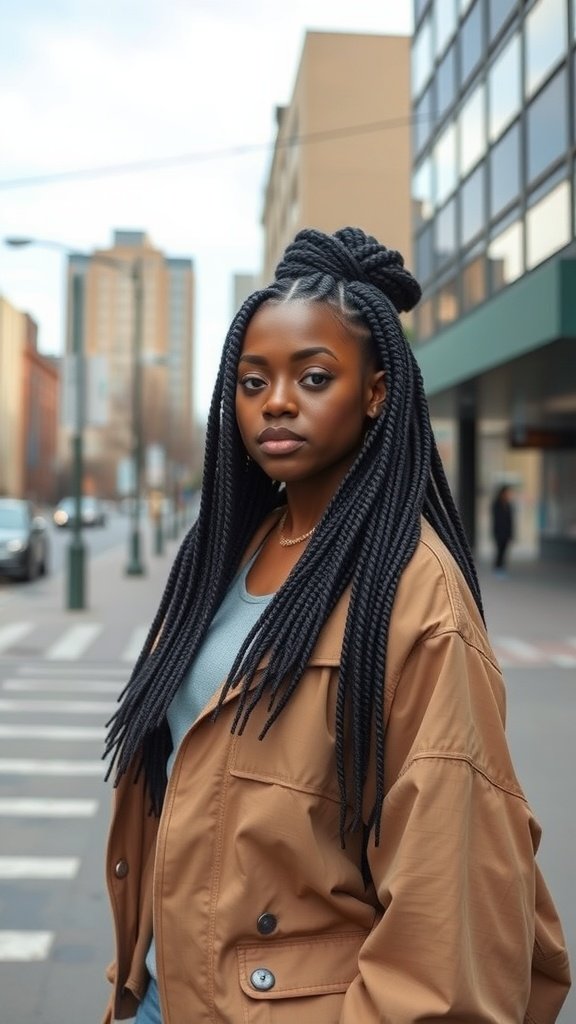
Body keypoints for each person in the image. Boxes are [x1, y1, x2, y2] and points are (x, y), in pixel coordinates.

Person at [102, 228, 570, 1024]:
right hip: (159, 992)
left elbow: (444, 927)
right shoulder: (223, 556)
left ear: (377, 392)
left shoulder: (418, 597)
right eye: (253, 382)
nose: (276, 401)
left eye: (313, 377)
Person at [492, 483, 515, 574]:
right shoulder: (496, 504)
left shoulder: (508, 505)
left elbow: (510, 520)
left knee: (505, 551)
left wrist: (511, 533)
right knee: (499, 550)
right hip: (499, 532)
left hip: (506, 532)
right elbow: (496, 520)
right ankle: (498, 567)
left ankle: (502, 567)